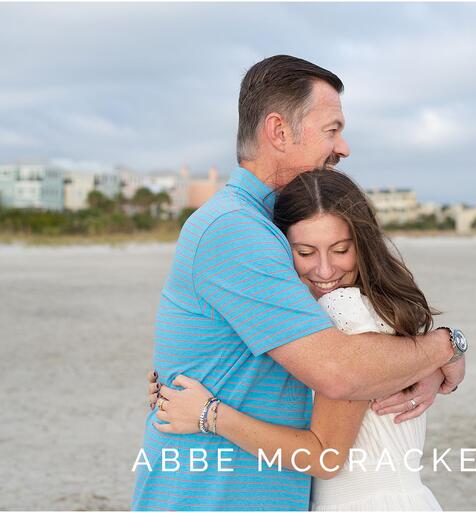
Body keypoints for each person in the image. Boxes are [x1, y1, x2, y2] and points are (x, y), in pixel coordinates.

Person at [132, 55, 465, 511]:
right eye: (332, 129)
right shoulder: (234, 229)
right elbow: (339, 371)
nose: (343, 147)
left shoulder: (267, 228)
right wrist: (444, 346)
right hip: (212, 498)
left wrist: (420, 360)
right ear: (279, 131)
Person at [149, 169, 456, 510]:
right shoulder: (375, 309)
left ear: (363, 245)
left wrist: (210, 415)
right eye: (306, 253)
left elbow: (325, 457)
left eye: (341, 250)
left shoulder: (343, 310)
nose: (324, 271)